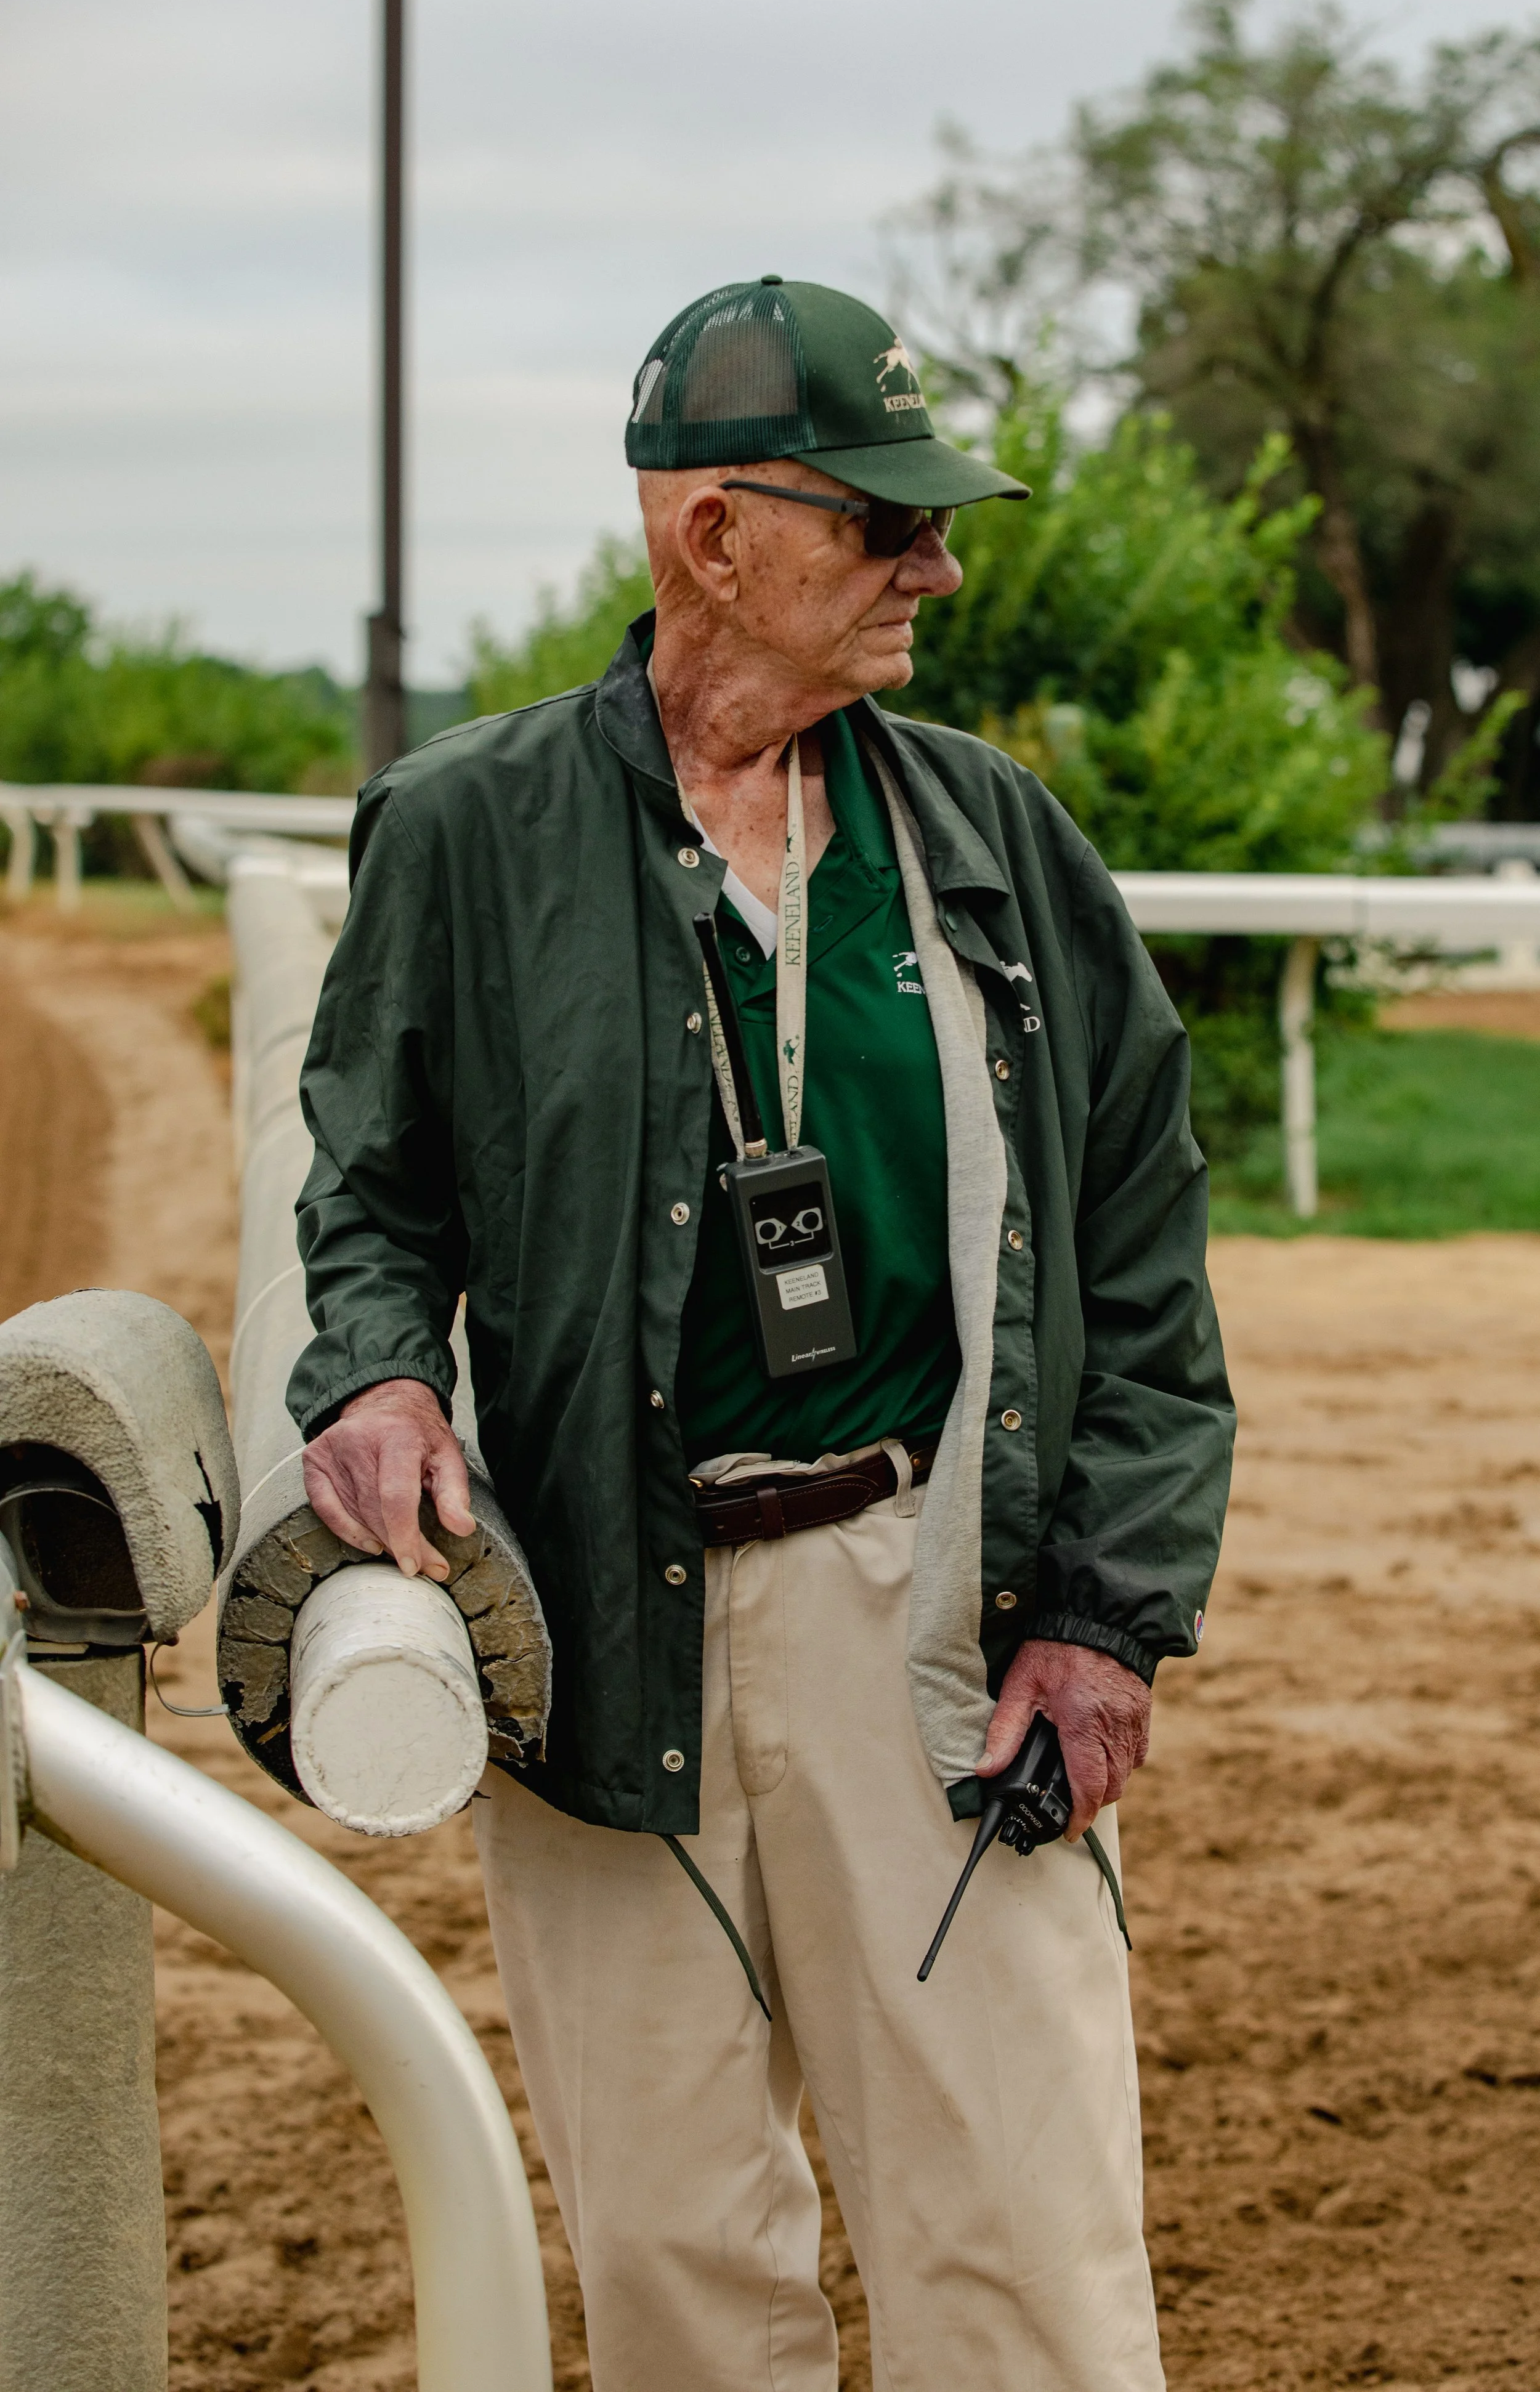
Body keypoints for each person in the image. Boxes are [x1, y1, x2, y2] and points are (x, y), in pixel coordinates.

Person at [290, 275, 1234, 2392]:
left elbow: (1154, 1265)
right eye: (883, 521)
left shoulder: (1001, 846)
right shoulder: (464, 829)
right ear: (712, 536)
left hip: (936, 1624)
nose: (939, 561)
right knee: (679, 2274)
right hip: (600, 1631)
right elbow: (372, 1183)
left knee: (1027, 2269)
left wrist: (1103, 1611)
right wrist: (370, 1364)